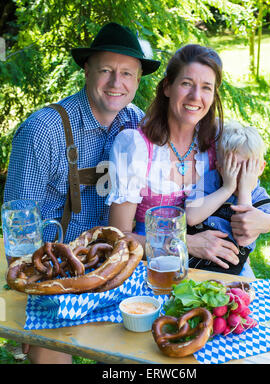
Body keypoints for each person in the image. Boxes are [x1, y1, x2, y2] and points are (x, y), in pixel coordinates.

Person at [3, 22, 160, 364]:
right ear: (86, 70)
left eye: (127, 74)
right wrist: (25, 303)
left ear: (137, 80)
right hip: (53, 273)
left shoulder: (136, 124)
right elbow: (19, 224)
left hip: (114, 268)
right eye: (106, 70)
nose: (116, 83)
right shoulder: (42, 130)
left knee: (143, 359)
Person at [106, 44, 270, 273]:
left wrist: (267, 222)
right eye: (186, 84)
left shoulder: (219, 138)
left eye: (206, 88)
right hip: (154, 266)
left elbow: (253, 187)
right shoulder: (135, 146)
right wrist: (184, 244)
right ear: (167, 87)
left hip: (221, 267)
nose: (196, 97)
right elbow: (118, 238)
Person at [185, 121, 270, 277]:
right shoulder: (210, 181)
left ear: (260, 168)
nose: (242, 176)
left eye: (248, 168)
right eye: (234, 167)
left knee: (246, 293)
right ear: (220, 167)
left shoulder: (259, 197)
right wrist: (226, 188)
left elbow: (242, 237)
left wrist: (245, 191)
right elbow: (191, 218)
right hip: (195, 260)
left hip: (234, 266)